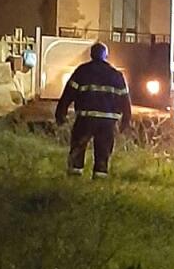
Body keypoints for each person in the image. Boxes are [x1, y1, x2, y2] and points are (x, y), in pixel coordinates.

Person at [55, 42, 132, 178]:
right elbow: (125, 100)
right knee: (103, 151)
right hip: (107, 122)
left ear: (91, 55)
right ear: (106, 56)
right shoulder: (116, 75)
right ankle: (100, 179)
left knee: (78, 148)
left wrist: (61, 113)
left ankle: (74, 176)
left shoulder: (82, 71)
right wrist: (125, 121)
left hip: (85, 118)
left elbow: (68, 93)